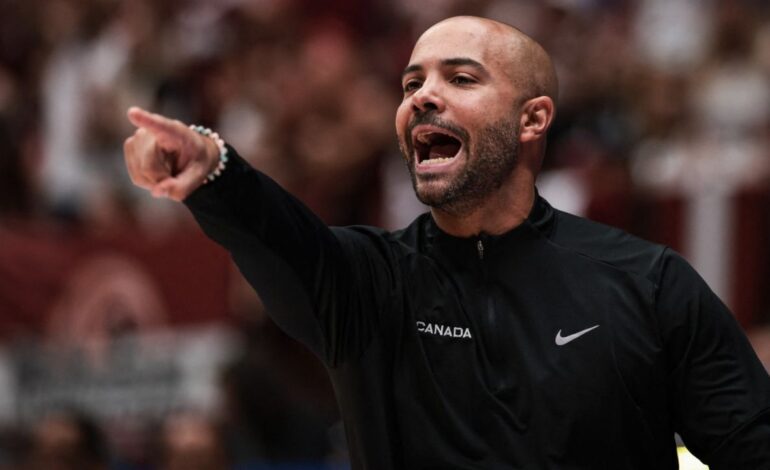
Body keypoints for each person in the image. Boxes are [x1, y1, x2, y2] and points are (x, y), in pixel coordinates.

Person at [123, 15, 770, 470]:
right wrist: (212, 168)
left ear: (533, 119)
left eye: (460, 78)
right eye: (411, 84)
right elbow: (273, 231)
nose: (423, 96)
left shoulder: (647, 282)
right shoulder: (366, 284)